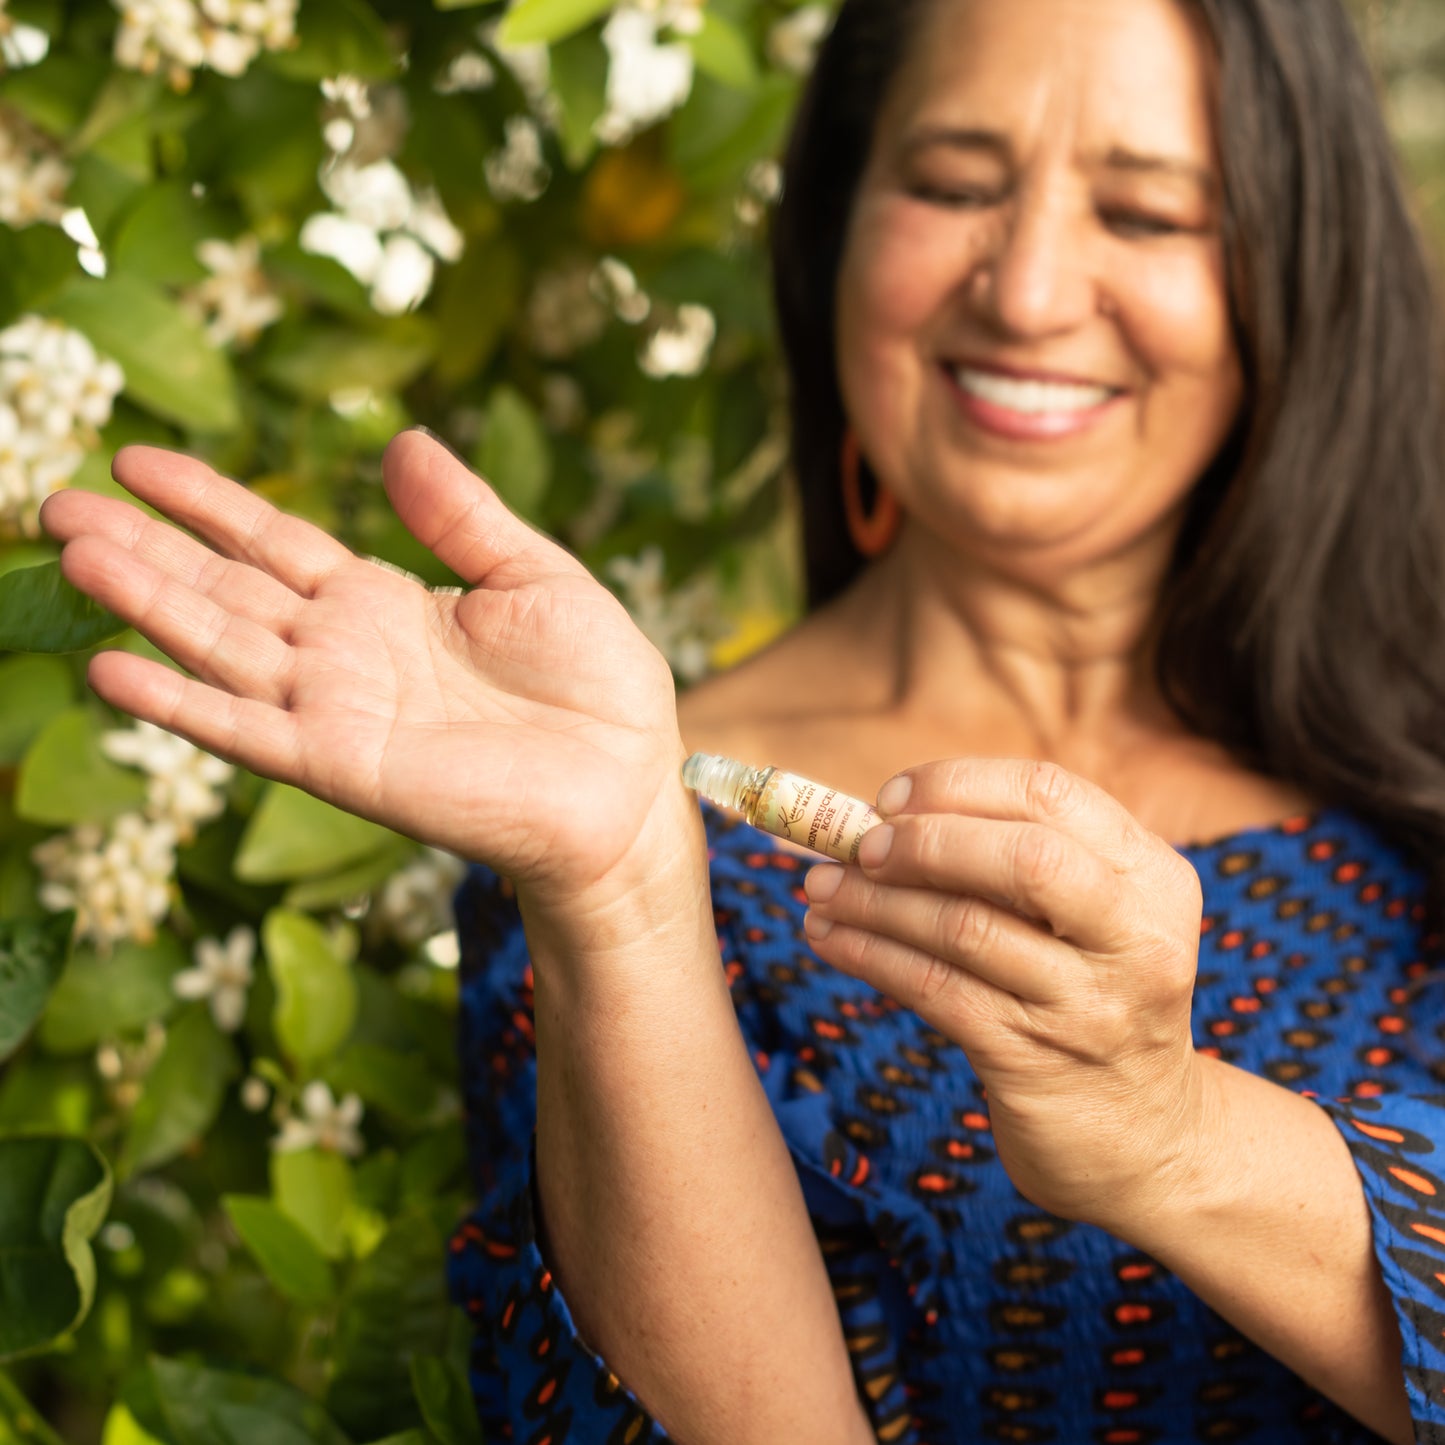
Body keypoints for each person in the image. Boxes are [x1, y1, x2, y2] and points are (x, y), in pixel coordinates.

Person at [38, 0, 1445, 1437]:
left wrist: (1168, 1129)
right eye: (952, 185)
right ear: (831, 229)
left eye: (1146, 214)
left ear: (1294, 269)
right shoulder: (626, 798)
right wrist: (621, 893)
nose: (1024, 290)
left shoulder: (1421, 764)